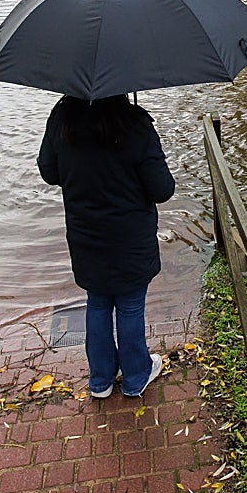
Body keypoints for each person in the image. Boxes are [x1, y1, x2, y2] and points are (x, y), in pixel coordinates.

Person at [37, 94, 175, 398]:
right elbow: (162, 189)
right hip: (130, 238)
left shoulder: (64, 119)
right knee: (129, 304)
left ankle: (100, 379)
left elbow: (49, 171)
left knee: (97, 301)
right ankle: (137, 375)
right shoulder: (134, 124)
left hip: (86, 235)